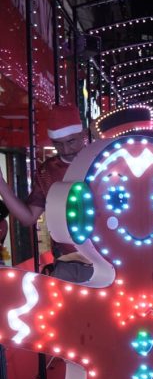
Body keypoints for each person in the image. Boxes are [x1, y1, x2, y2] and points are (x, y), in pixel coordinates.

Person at [0, 104, 92, 282]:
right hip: (70, 261)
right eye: (58, 144)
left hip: (111, 257)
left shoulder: (103, 159)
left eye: (71, 141)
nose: (66, 150)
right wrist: (2, 186)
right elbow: (28, 218)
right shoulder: (47, 171)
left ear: (84, 134)